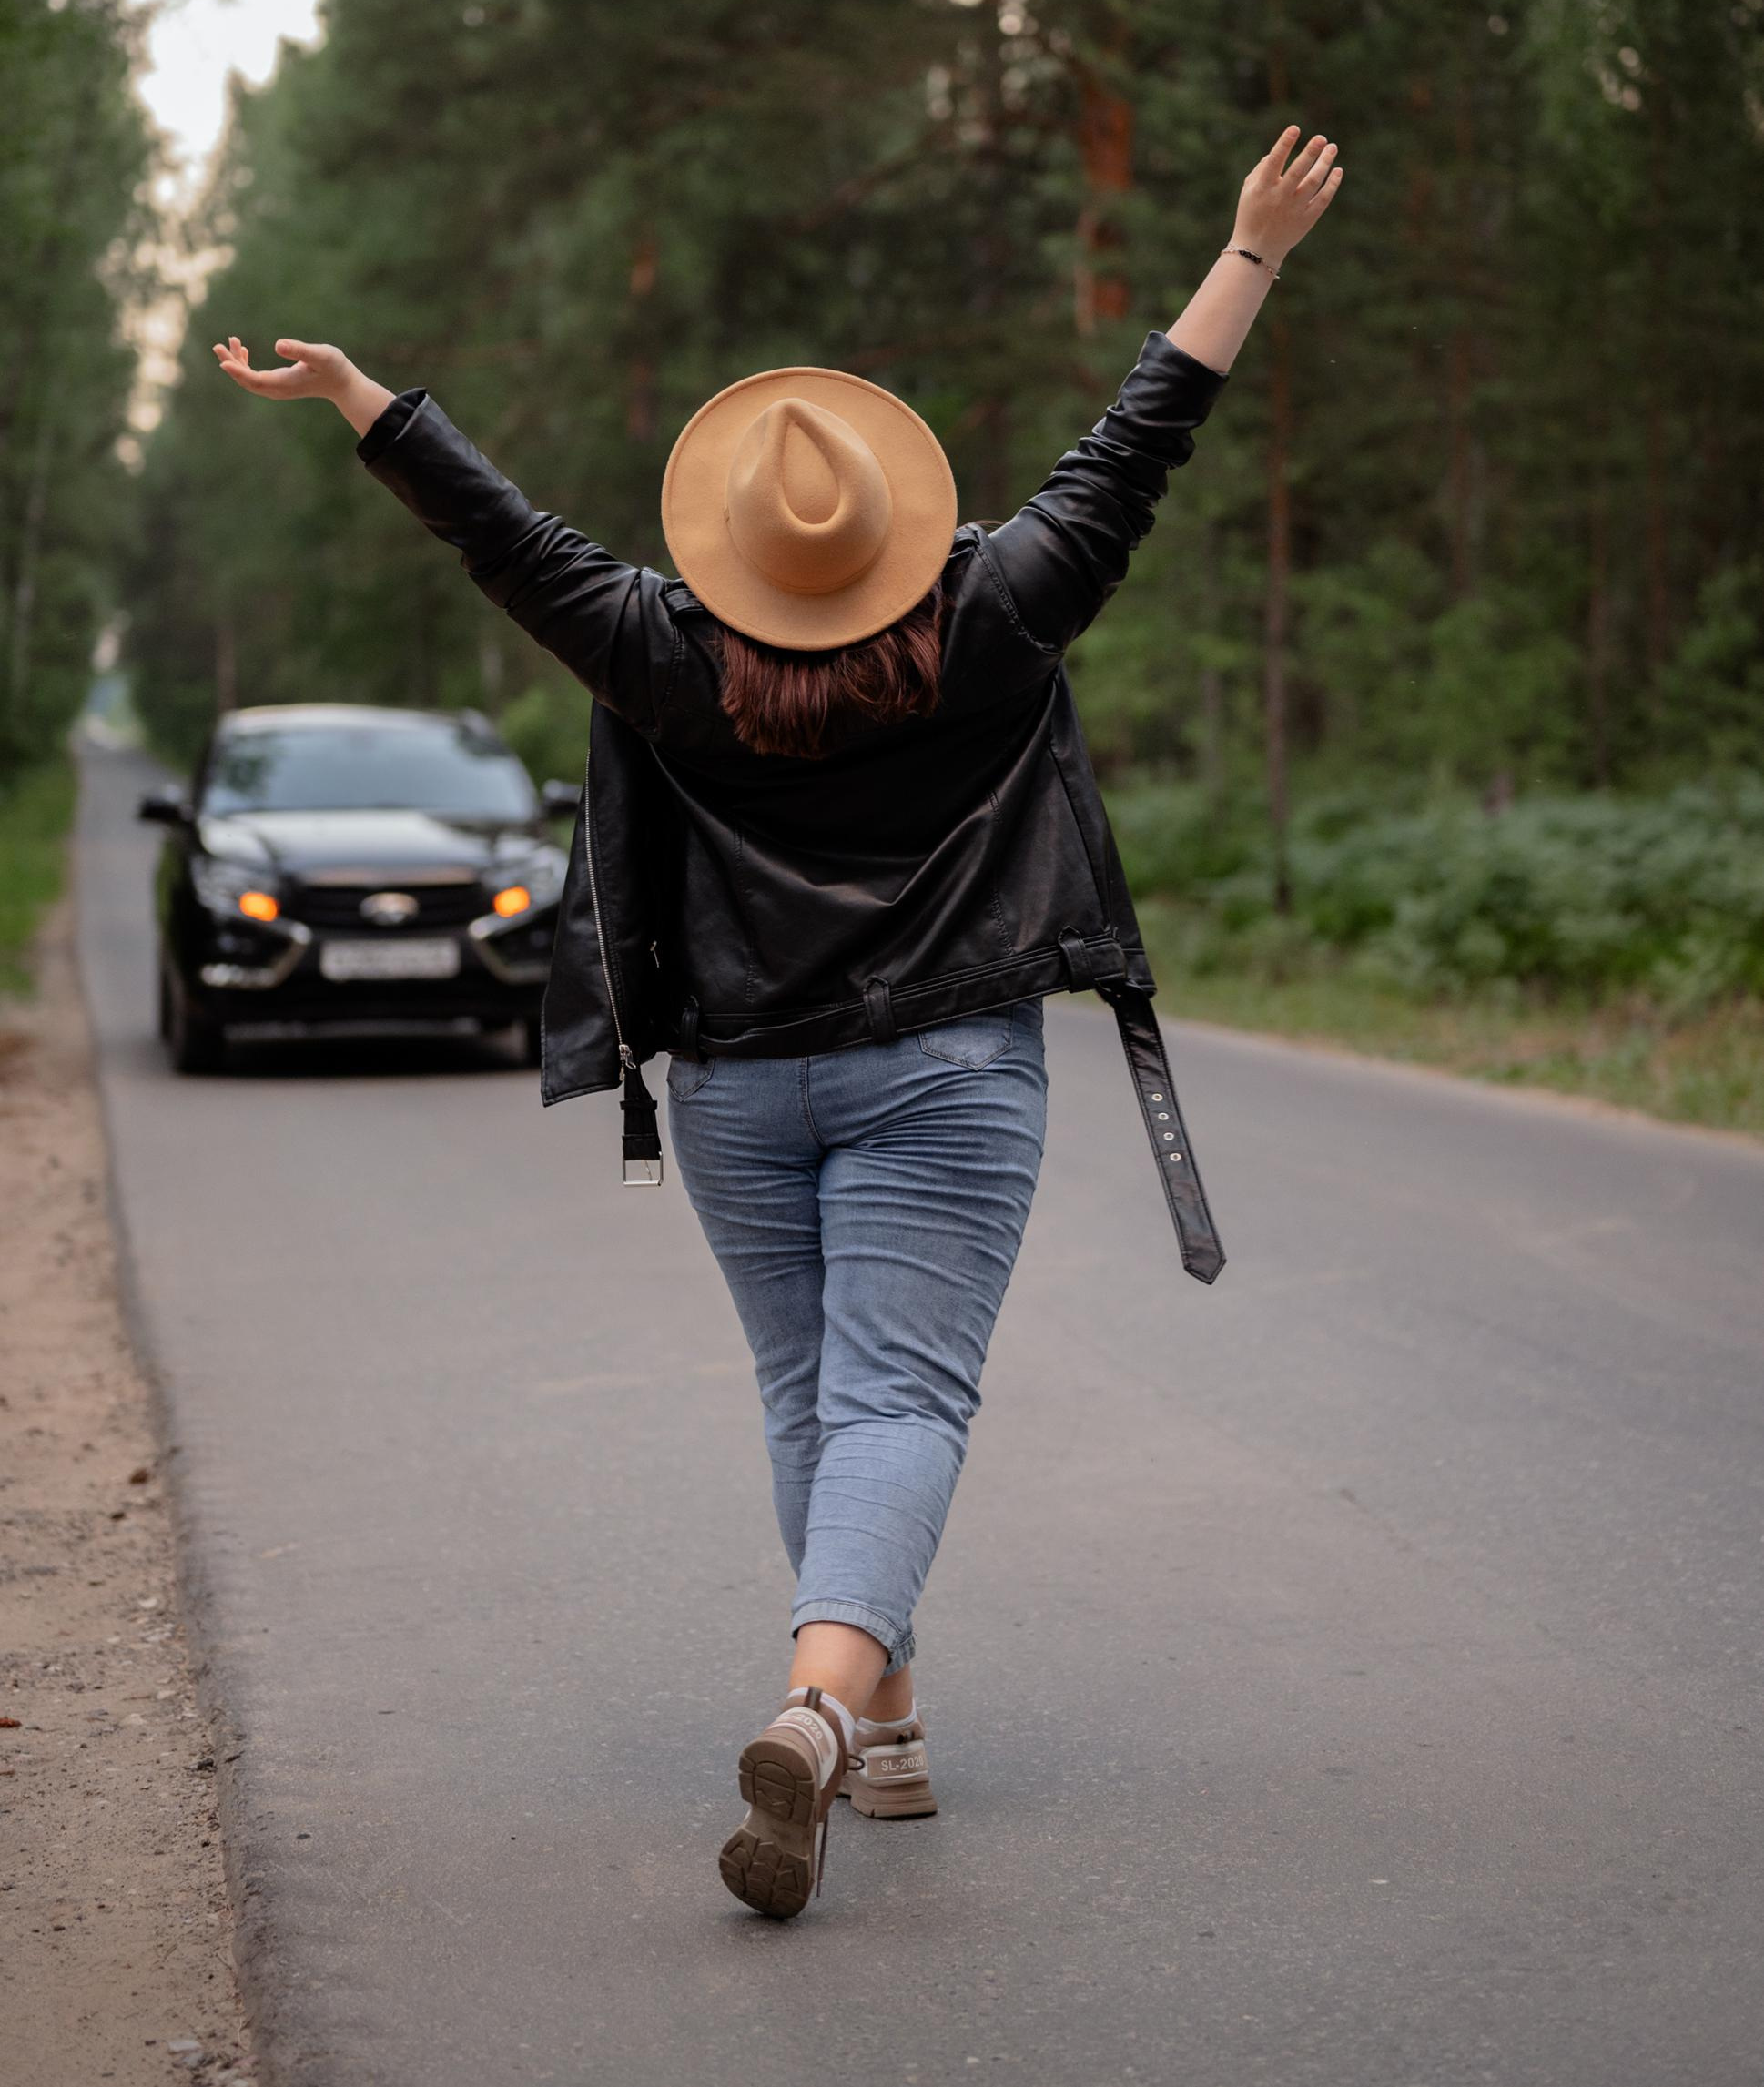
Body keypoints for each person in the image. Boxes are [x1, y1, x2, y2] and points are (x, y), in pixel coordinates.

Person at [214, 125, 1343, 1919]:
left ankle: (882, 1734)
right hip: (950, 1071)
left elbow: (503, 542)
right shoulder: (995, 614)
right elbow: (1141, 444)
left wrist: (365, 399)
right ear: (893, 518)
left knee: (817, 1391)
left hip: (742, 1082)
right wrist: (1250, 252)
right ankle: (822, 1711)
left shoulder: (659, 649)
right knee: (900, 1391)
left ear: (734, 539)